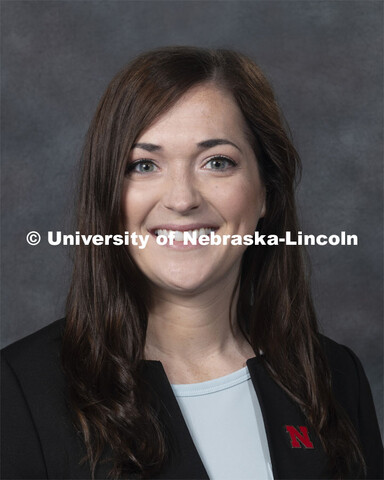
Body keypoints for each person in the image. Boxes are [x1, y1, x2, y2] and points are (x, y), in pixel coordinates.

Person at [1, 46, 382, 480]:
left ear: (266, 192)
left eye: (216, 162)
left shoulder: (334, 377)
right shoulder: (19, 391)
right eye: (144, 165)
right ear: (108, 198)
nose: (182, 199)